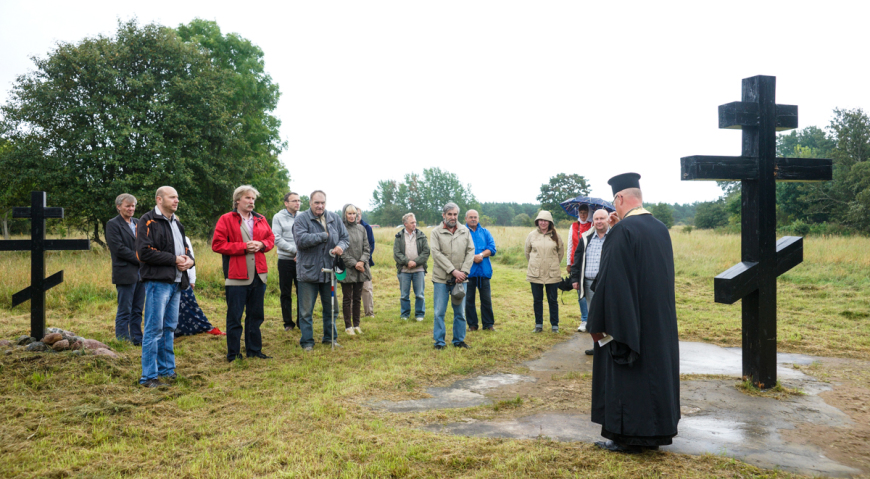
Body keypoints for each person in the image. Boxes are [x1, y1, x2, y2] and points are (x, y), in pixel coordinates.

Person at [589, 172, 680, 453]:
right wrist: (619, 227)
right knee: (654, 376)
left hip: (630, 324)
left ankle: (626, 436)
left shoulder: (623, 232)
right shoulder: (659, 228)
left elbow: (610, 283)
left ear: (619, 198)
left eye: (614, 203)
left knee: (629, 378)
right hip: (658, 322)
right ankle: (655, 434)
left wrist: (598, 324)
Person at [136, 186, 194, 387]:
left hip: (177, 281)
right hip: (157, 282)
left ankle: (167, 370)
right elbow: (144, 252)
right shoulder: (147, 220)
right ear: (159, 199)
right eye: (172, 197)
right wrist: (173, 259)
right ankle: (148, 377)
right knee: (154, 329)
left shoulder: (177, 223)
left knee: (169, 328)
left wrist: (190, 262)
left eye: (178, 197)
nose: (177, 200)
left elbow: (186, 249)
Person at [211, 185, 275, 362]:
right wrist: (243, 247)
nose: (251, 201)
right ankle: (233, 354)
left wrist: (262, 245)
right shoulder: (226, 219)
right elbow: (217, 244)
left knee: (256, 316)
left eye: (253, 199)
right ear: (237, 200)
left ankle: (254, 350)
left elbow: (271, 239)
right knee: (235, 317)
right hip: (236, 276)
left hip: (259, 274)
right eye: (247, 198)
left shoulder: (261, 219)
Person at [293, 190, 349, 351]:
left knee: (331, 308)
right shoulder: (301, 219)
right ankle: (307, 342)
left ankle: (330, 339)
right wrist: (324, 235)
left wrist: (340, 246)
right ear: (310, 202)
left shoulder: (334, 218)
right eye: (317, 202)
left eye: (323, 202)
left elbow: (345, 238)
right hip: (307, 273)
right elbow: (301, 240)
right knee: (305, 312)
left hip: (329, 273)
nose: (320, 206)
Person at [430, 202, 475, 349]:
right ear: (443, 215)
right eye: (449, 214)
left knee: (460, 312)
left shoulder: (465, 231)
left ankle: (459, 341)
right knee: (439, 312)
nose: (452, 217)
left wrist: (464, 272)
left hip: (461, 280)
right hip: (441, 279)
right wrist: (452, 271)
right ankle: (439, 342)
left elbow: (470, 251)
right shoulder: (436, 232)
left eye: (455, 214)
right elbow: (436, 253)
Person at [106, 193, 144, 346]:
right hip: (125, 272)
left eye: (133, 206)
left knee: (137, 309)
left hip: (142, 273)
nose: (131, 208)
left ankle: (137, 338)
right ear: (119, 207)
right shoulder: (113, 224)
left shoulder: (138, 222)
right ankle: (122, 340)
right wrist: (141, 258)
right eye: (127, 206)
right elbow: (118, 248)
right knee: (125, 309)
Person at [175, 236, 225, 337]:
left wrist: (192, 279)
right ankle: (175, 331)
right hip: (169, 278)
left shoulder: (184, 238)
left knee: (191, 306)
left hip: (184, 279)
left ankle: (205, 327)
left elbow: (191, 258)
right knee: (174, 309)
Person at [571, 208, 610, 335]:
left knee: (608, 315)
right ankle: (597, 348)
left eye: (602, 218)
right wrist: (575, 279)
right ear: (592, 221)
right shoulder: (586, 238)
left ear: (608, 219)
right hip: (588, 284)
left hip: (607, 283)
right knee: (593, 317)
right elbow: (577, 260)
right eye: (596, 219)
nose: (599, 221)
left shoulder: (614, 237)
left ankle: (610, 350)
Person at [525, 210, 565, 333]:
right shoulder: (531, 235)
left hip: (552, 273)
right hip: (535, 273)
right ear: (537, 221)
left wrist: (551, 264)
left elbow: (560, 253)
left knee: (552, 300)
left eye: (545, 220)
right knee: (537, 300)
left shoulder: (556, 236)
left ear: (550, 222)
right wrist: (536, 263)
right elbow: (527, 253)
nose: (543, 222)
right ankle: (538, 325)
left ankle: (555, 325)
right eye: (541, 220)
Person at [339, 204, 372, 335]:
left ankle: (357, 324)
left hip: (361, 268)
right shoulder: (341, 229)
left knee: (357, 298)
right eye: (349, 214)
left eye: (354, 214)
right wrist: (354, 263)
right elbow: (342, 252)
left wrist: (362, 262)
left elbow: (367, 248)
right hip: (348, 268)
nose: (352, 216)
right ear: (345, 215)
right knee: (347, 298)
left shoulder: (362, 229)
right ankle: (348, 326)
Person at [464, 210, 497, 331]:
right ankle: (472, 325)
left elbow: (492, 248)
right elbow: (459, 250)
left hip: (484, 272)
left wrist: (481, 255)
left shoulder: (485, 232)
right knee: (469, 300)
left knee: (486, 300)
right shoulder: (462, 233)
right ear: (466, 219)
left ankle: (488, 324)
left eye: (475, 217)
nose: (473, 219)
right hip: (468, 272)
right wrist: (472, 257)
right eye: (471, 217)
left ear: (478, 218)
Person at [393, 213, 429, 321]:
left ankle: (419, 314)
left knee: (420, 294)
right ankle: (405, 314)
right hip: (404, 270)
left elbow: (426, 252)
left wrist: (415, 262)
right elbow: (396, 253)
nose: (414, 224)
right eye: (412, 222)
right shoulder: (399, 236)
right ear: (405, 224)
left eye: (415, 222)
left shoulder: (421, 235)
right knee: (404, 295)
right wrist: (407, 262)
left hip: (419, 269)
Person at [273, 192, 301, 331]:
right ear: (286, 203)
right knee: (286, 292)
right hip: (285, 260)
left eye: (299, 200)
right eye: (294, 200)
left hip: (301, 260)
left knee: (302, 291)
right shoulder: (278, 217)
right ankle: (288, 323)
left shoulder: (303, 217)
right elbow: (276, 238)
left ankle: (302, 321)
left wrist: (301, 253)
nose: (297, 203)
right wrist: (294, 251)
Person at [567, 205, 593, 328]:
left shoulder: (592, 225)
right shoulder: (573, 226)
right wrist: (568, 263)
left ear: (589, 213)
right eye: (581, 212)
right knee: (580, 291)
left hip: (589, 261)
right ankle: (584, 319)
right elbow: (570, 245)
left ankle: (593, 318)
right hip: (576, 262)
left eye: (585, 212)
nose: (583, 215)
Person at [359, 209, 376, 319]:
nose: (356, 216)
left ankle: (369, 313)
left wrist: (364, 259)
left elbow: (371, 244)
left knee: (367, 288)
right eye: (352, 213)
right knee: (351, 290)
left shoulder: (367, 227)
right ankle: (352, 313)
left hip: (365, 262)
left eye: (358, 214)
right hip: (350, 263)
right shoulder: (344, 227)